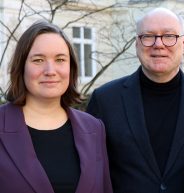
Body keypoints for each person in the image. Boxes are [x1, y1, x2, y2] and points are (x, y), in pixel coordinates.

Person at [86, 7, 184, 193]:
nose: (158, 44)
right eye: (148, 36)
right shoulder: (105, 100)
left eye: (169, 36)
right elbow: (91, 171)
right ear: (137, 44)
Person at [0, 20, 113, 193]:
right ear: (21, 67)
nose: (50, 70)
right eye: (38, 60)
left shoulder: (94, 129)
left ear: (71, 68)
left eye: (60, 59)